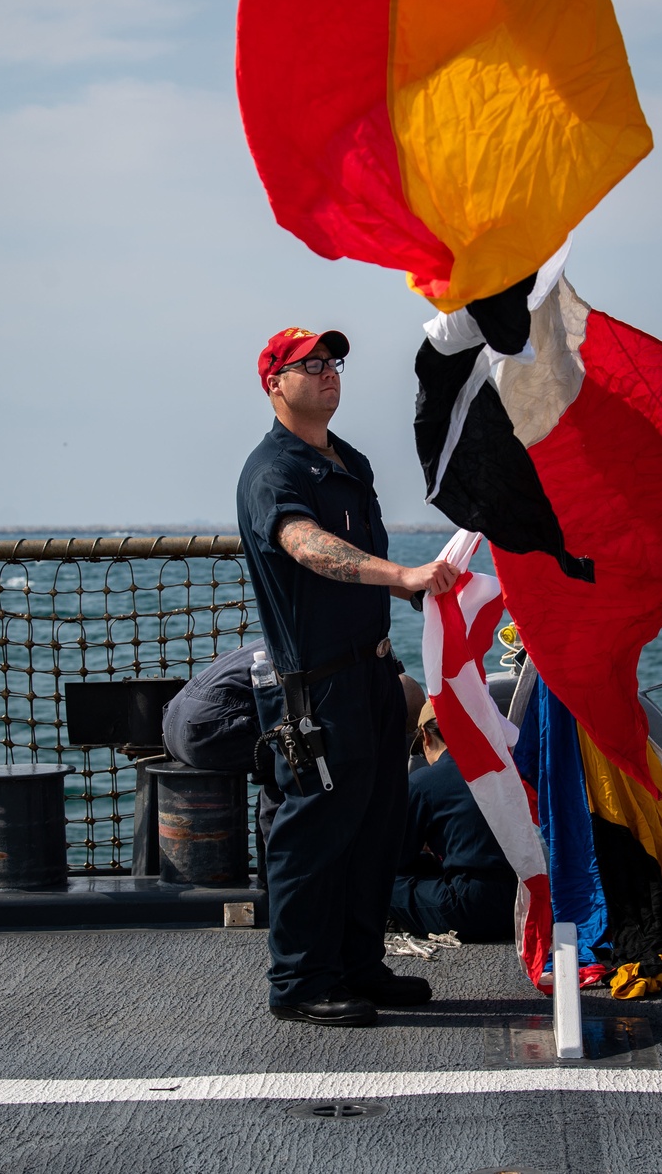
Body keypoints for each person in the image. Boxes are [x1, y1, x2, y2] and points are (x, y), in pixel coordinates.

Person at [236, 325, 460, 1027]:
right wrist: (402, 576)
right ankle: (301, 982)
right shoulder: (274, 473)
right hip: (318, 689)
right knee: (314, 832)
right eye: (311, 365)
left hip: (370, 678)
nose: (329, 373)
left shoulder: (349, 462)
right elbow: (306, 545)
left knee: (374, 826)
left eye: (333, 362)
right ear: (275, 383)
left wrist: (416, 592)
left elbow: (356, 561)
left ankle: (359, 965)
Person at [390, 700, 517, 942]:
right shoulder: (502, 769)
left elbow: (394, 859)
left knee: (378, 881)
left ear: (426, 737)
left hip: (470, 909)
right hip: (518, 903)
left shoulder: (424, 782)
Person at [161, 644, 282, 878]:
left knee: (280, 759)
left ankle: (272, 879)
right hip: (208, 730)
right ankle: (276, 878)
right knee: (291, 766)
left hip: (173, 719)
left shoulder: (268, 639)